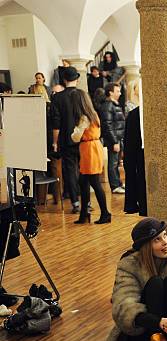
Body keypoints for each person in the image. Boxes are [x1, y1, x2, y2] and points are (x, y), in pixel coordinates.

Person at [70, 89, 111, 224]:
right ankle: (84, 214)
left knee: (94, 182)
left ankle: (105, 213)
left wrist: (74, 132)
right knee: (83, 181)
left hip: (89, 150)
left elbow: (76, 137)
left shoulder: (84, 118)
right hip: (92, 148)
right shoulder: (92, 114)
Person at [50, 66, 81, 213]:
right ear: (77, 79)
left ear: (64, 80)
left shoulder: (57, 97)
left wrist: (55, 142)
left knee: (69, 170)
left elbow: (56, 124)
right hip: (83, 139)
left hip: (66, 140)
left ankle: (75, 202)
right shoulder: (82, 95)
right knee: (84, 170)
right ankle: (86, 202)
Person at [100, 82, 126, 194]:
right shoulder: (108, 105)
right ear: (110, 92)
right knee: (113, 163)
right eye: (117, 91)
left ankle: (119, 183)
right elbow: (107, 125)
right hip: (113, 140)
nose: (120, 93)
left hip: (118, 138)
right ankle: (115, 186)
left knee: (117, 162)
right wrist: (115, 141)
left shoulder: (114, 104)